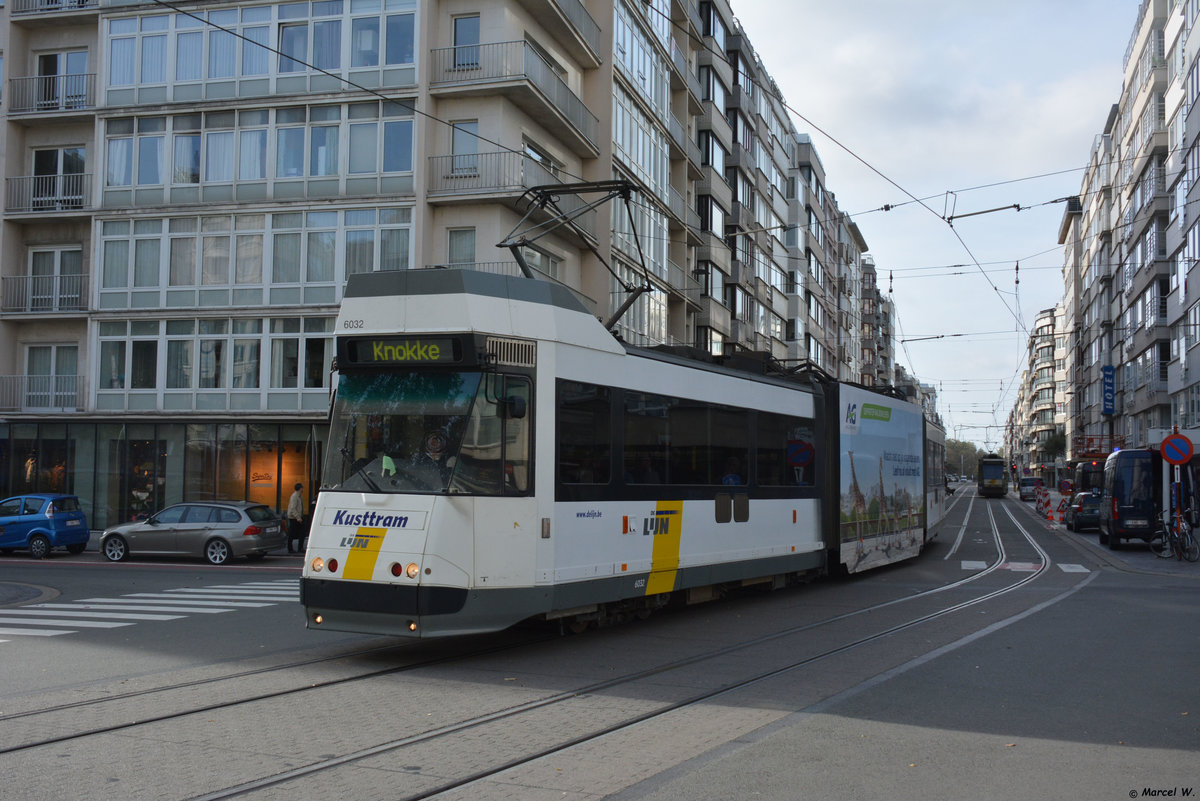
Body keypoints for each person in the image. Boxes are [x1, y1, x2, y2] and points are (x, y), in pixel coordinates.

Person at [287, 482, 304, 553]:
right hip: (294, 518)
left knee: (301, 533)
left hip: (298, 517)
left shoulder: (299, 496)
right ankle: (290, 549)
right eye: (302, 488)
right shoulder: (294, 496)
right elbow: (293, 508)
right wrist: (298, 517)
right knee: (292, 533)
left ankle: (300, 548)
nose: (303, 489)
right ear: (300, 489)